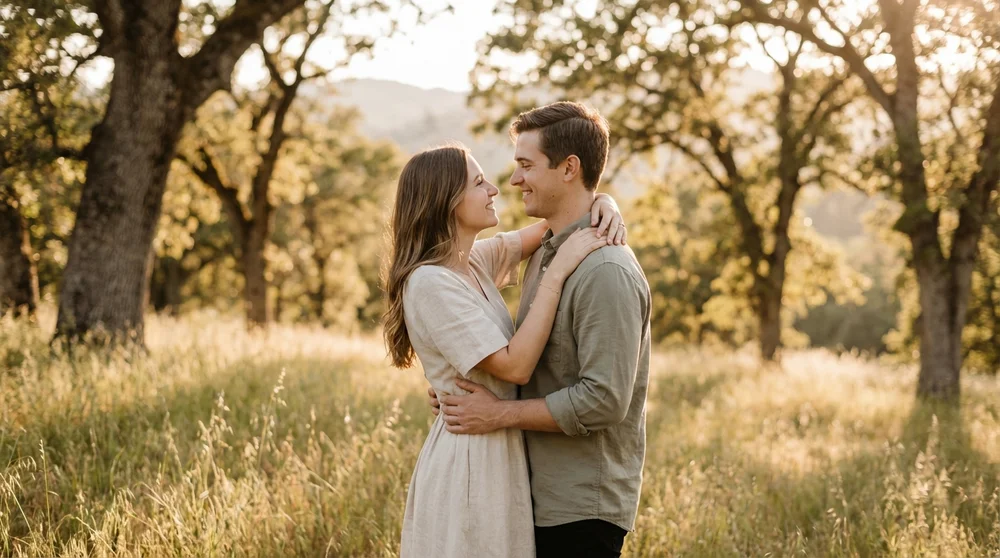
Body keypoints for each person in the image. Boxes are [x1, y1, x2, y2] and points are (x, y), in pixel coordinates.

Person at [383, 142, 627, 558]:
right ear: (446, 201)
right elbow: (515, 367)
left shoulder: (472, 262)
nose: (495, 189)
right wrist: (560, 270)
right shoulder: (429, 283)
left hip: (500, 450)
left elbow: (559, 224)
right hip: (470, 460)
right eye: (479, 183)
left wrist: (605, 202)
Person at [431, 102, 652, 558]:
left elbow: (604, 400)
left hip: (579, 507)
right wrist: (466, 390)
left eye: (526, 165)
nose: (514, 181)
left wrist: (498, 415)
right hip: (534, 493)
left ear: (569, 168)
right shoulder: (549, 250)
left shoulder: (605, 270)